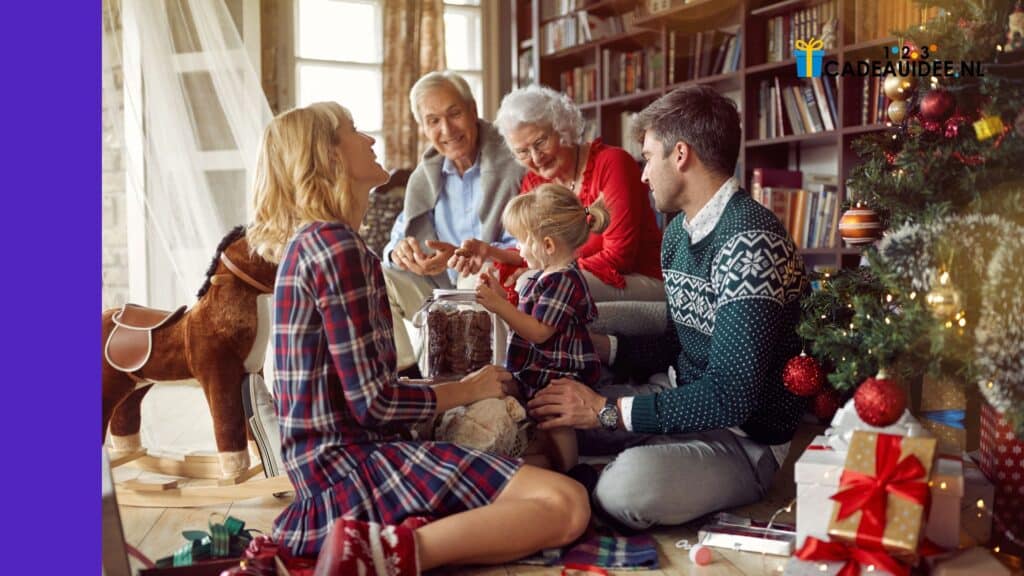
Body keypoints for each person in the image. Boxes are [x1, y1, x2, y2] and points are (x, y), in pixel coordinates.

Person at [247, 101, 588, 573]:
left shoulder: (313, 243)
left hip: (326, 468)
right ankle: (378, 554)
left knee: (535, 469)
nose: (369, 139)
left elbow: (363, 396)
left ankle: (386, 542)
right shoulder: (338, 248)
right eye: (353, 130)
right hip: (349, 473)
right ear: (329, 156)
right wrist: (468, 389)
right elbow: (375, 403)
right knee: (567, 503)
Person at [526, 85, 810, 530]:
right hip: (676, 393)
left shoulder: (750, 241)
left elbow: (731, 396)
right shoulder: (678, 233)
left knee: (625, 489)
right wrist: (602, 346)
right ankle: (611, 467)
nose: (643, 175)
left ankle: (605, 477)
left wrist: (605, 411)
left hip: (743, 439)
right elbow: (677, 344)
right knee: (550, 417)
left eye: (647, 157)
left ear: (680, 155)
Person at [381, 71, 525, 375]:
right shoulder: (425, 175)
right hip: (439, 291)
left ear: (473, 110)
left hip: (492, 283)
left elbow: (528, 242)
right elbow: (398, 238)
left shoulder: (514, 161)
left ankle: (480, 381)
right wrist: (400, 252)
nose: (446, 129)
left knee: (475, 278)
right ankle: (409, 378)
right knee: (379, 276)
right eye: (433, 120)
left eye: (454, 114)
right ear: (423, 128)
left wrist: (470, 255)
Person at [474, 184, 609, 472]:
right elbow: (526, 316)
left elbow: (538, 331)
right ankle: (541, 455)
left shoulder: (564, 280)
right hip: (536, 366)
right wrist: (501, 297)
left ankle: (571, 471)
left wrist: (499, 307)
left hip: (557, 371)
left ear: (547, 245)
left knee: (554, 417)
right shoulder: (542, 277)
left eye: (521, 241)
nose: (518, 249)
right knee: (525, 406)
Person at [493, 84, 664, 302]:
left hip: (637, 278)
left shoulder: (612, 164)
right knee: (495, 280)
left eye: (540, 142)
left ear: (562, 128)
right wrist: (489, 253)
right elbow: (534, 248)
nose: (535, 158)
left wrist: (544, 274)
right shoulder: (535, 182)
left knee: (540, 284)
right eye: (523, 151)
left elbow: (619, 257)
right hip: (572, 273)